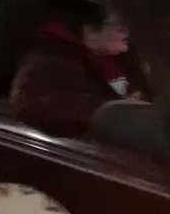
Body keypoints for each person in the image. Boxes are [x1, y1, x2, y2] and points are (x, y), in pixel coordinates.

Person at [10, 8, 140, 137]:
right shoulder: (48, 61)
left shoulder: (126, 57)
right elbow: (39, 107)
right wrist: (120, 112)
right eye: (119, 24)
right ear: (90, 32)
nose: (127, 31)